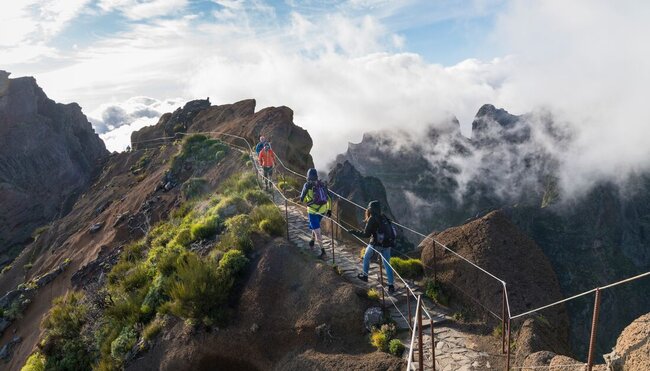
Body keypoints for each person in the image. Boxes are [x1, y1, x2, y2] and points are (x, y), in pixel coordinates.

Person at [349, 200, 395, 294]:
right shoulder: (384, 217)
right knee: (387, 264)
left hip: (376, 244)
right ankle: (391, 285)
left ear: (370, 209)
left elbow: (366, 234)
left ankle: (365, 276)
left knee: (366, 257)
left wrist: (353, 232)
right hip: (387, 244)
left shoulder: (372, 218)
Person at [299, 168, 332, 258]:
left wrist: (306, 200)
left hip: (312, 211)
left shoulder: (307, 185)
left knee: (317, 232)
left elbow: (301, 199)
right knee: (315, 226)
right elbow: (330, 198)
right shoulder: (322, 184)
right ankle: (312, 241)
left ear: (308, 176)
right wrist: (329, 210)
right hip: (323, 210)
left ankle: (323, 252)